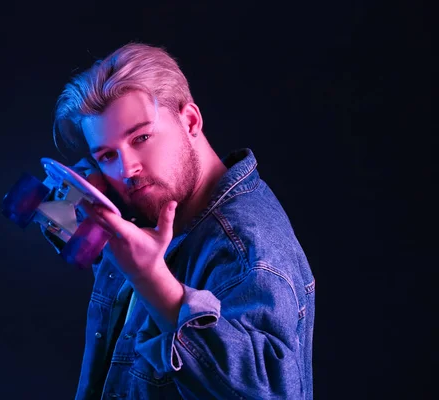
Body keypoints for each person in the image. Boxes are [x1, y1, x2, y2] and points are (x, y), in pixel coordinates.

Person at [45, 42, 315, 399]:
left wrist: (154, 281)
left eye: (141, 138)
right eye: (108, 155)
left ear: (189, 120)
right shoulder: (155, 208)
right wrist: (74, 196)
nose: (127, 170)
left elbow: (270, 392)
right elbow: (90, 247)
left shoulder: (242, 249)